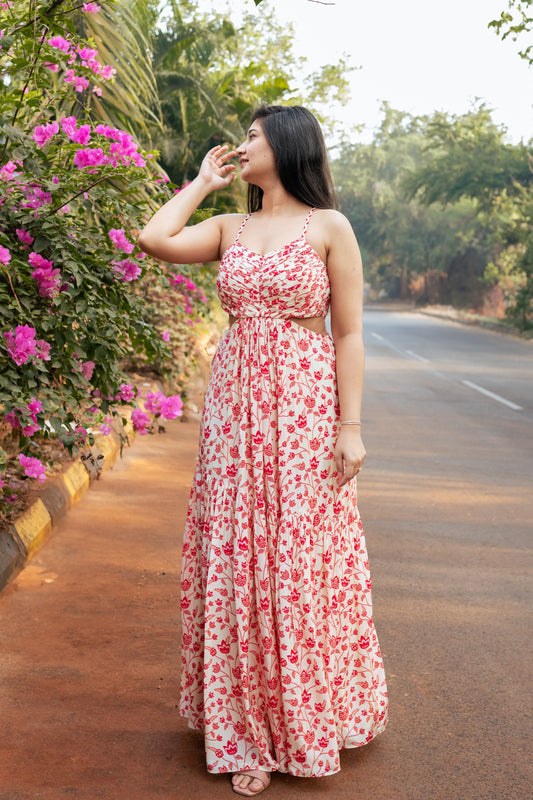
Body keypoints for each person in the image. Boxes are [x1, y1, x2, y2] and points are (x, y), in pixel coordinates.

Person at [138, 104, 388, 797]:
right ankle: (245, 733)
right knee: (240, 560)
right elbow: (151, 237)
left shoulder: (329, 226)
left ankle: (305, 720)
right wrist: (198, 184)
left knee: (297, 559)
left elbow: (347, 336)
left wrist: (350, 426)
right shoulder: (228, 227)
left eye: (252, 135)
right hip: (233, 413)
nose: (242, 144)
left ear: (287, 143)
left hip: (305, 409)